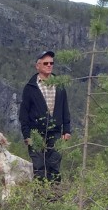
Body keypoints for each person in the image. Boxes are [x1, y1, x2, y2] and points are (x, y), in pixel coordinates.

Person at [20, 50, 71, 182]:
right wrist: (27, 135)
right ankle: (40, 199)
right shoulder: (30, 88)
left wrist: (66, 130)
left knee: (54, 166)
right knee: (39, 167)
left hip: (55, 133)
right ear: (38, 66)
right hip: (35, 133)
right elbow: (24, 113)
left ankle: (54, 199)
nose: (49, 65)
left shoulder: (59, 85)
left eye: (51, 63)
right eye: (46, 63)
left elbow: (65, 108)